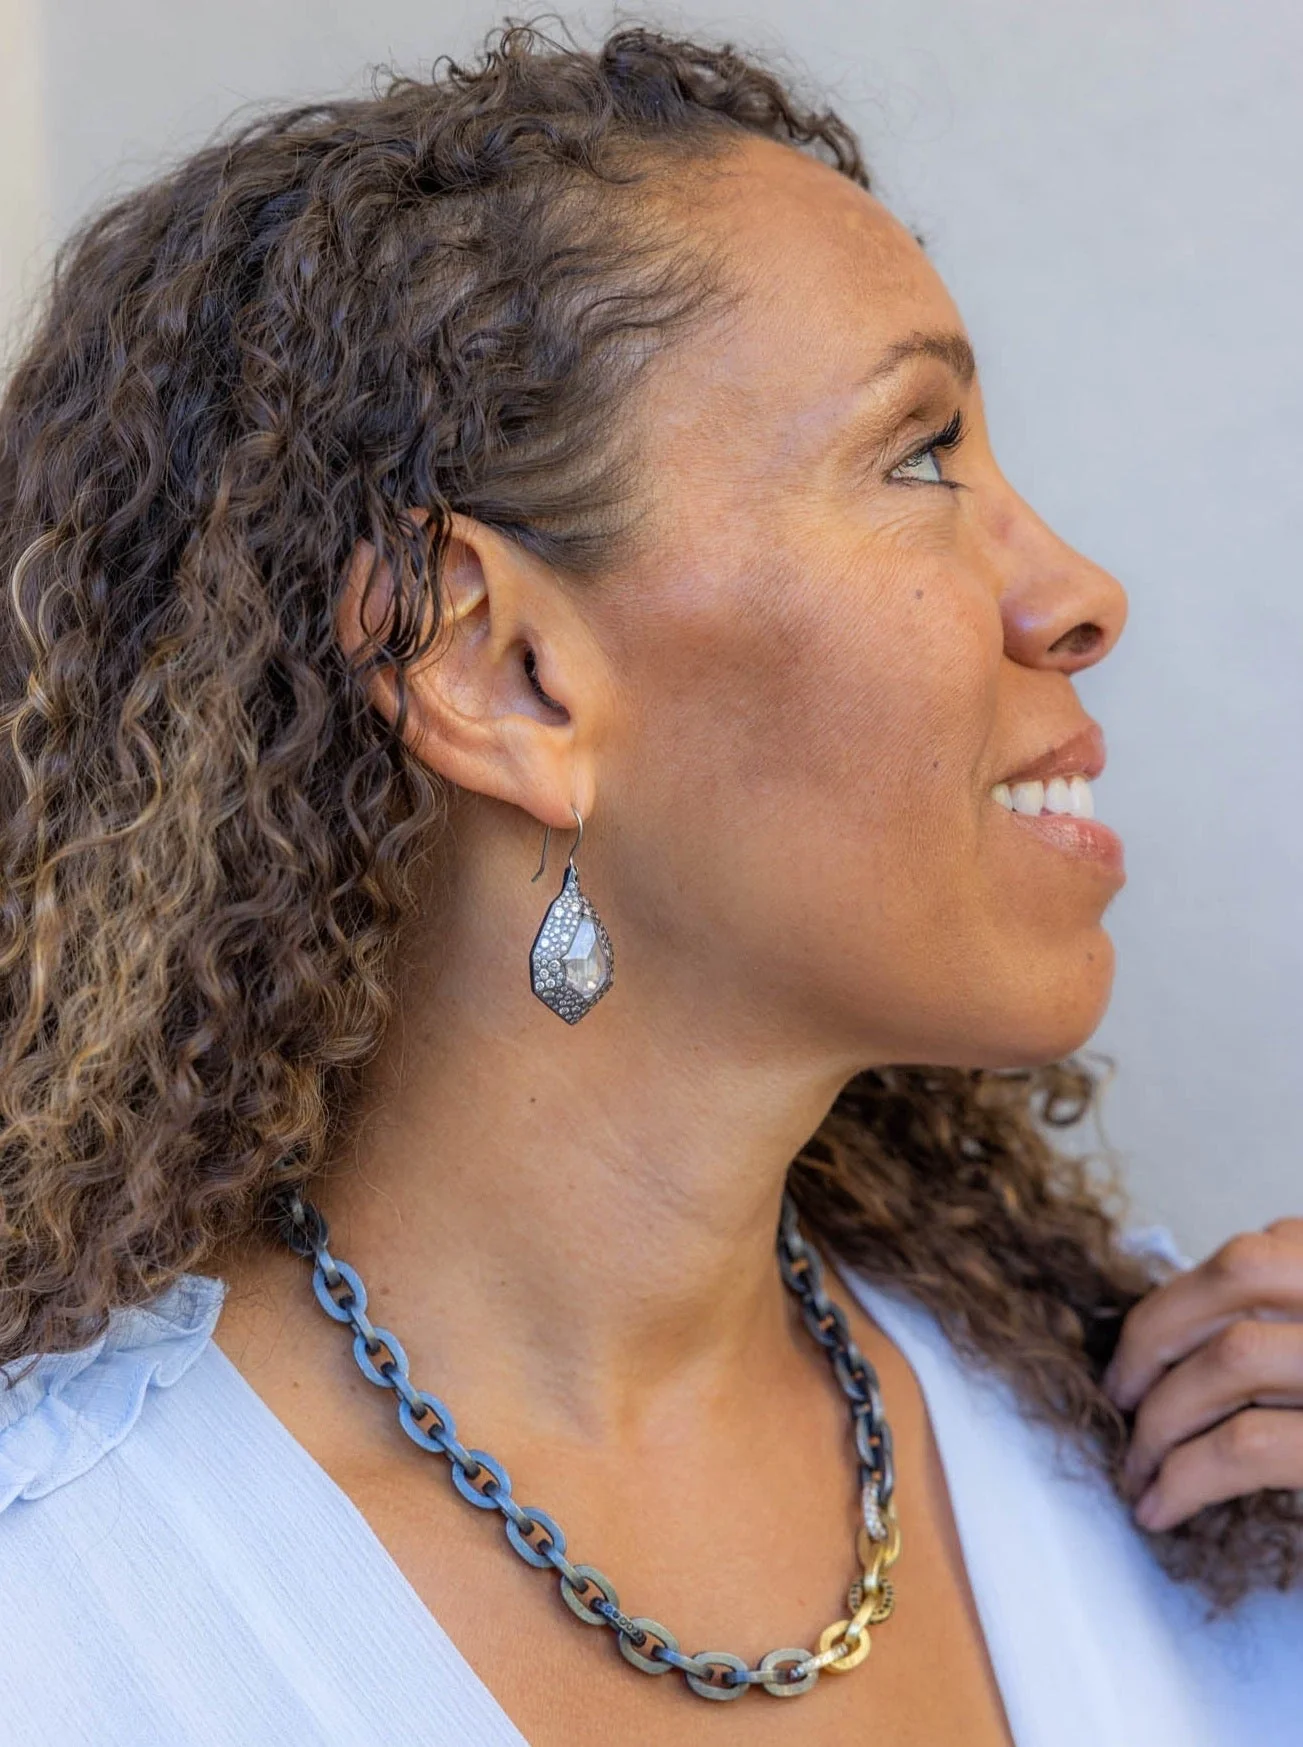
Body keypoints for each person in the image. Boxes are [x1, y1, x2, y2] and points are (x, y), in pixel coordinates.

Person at [0, 22, 1299, 1747]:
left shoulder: (1199, 1439)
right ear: (502, 672)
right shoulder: (67, 1619)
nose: (1076, 595)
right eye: (919, 454)